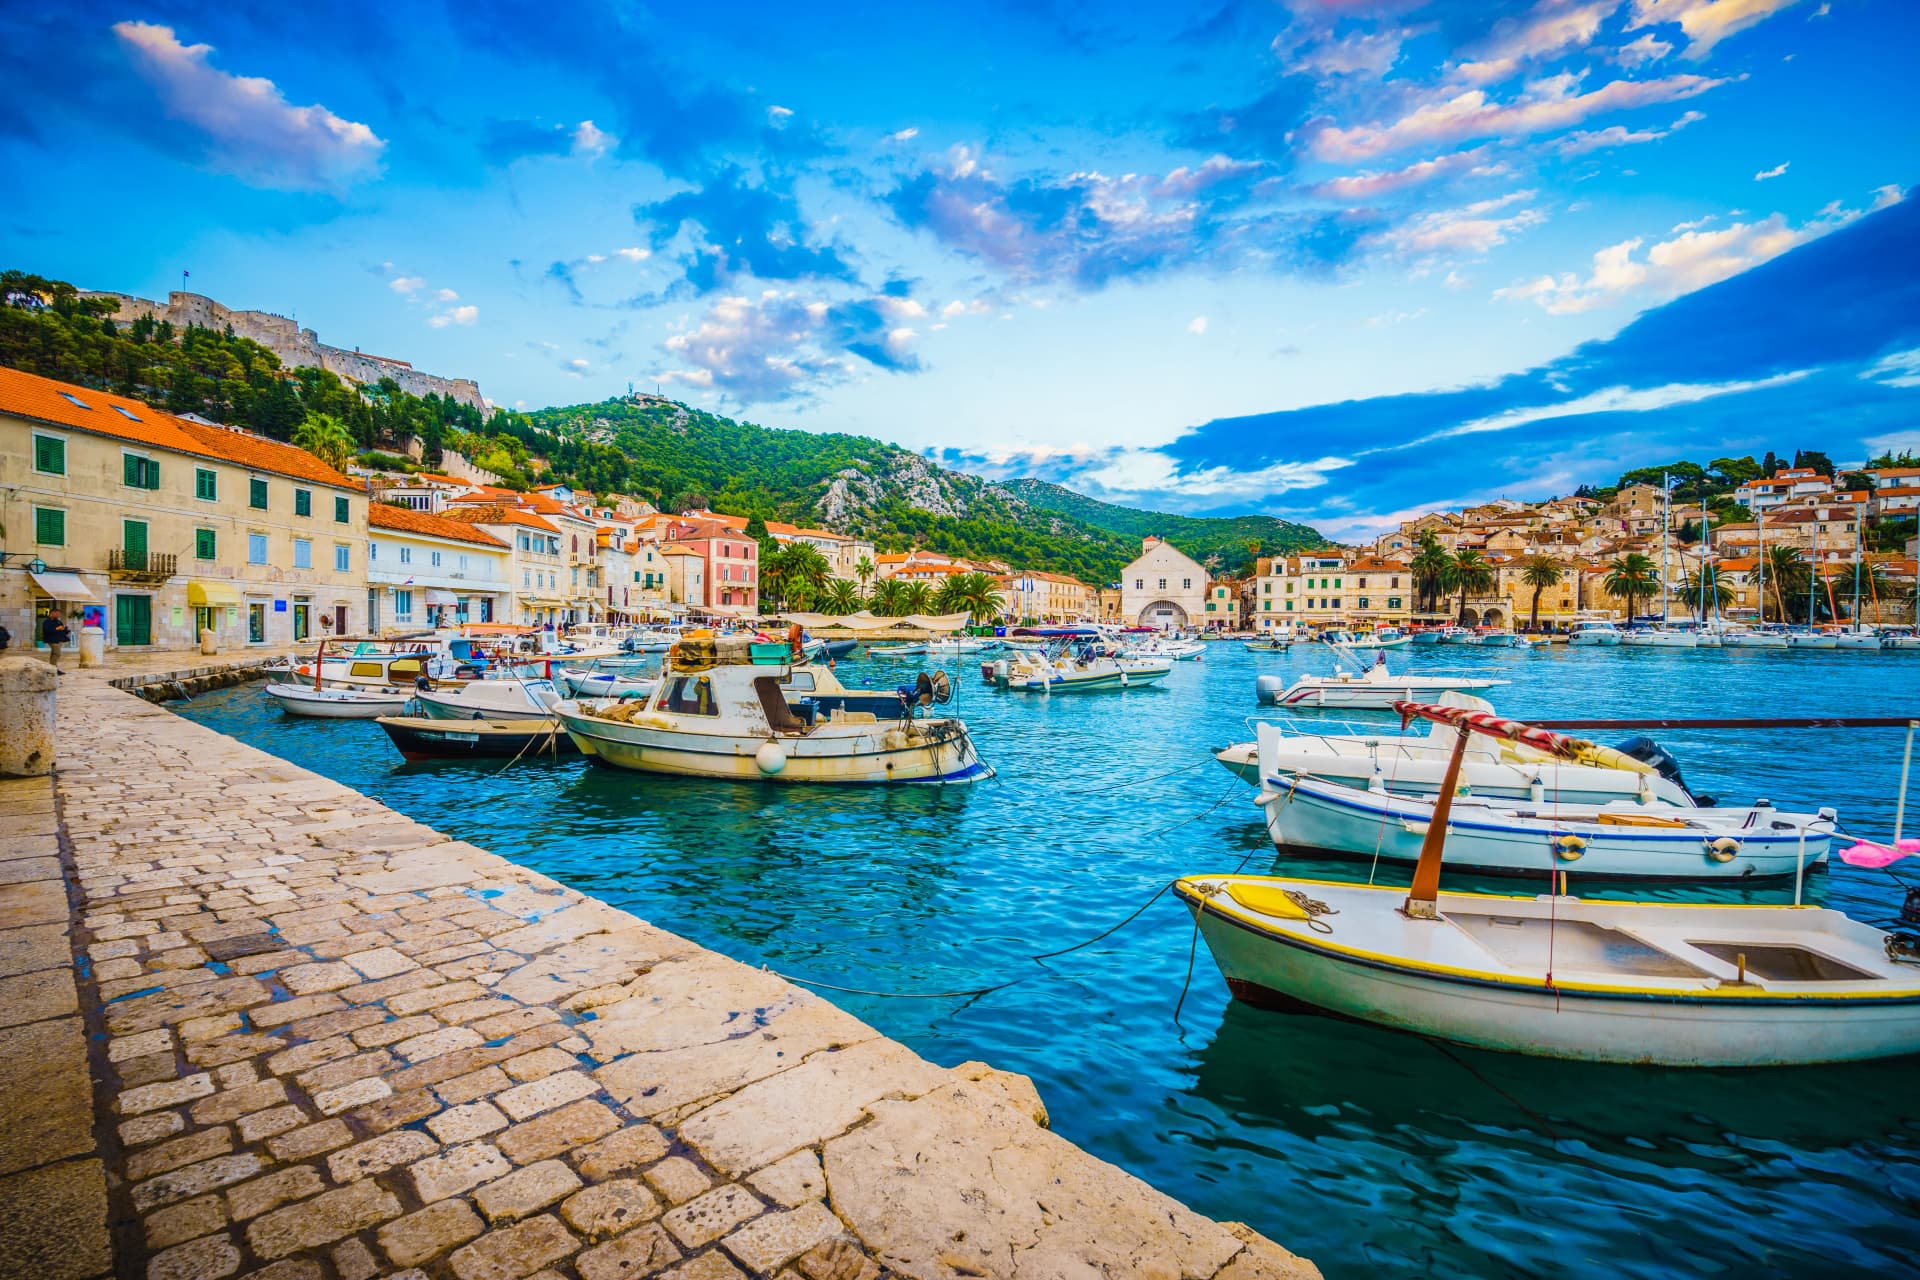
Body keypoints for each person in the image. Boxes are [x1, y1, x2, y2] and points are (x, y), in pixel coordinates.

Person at [40, 608, 72, 673]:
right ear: (52, 613)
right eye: (57, 614)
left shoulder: (58, 621)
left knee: (54, 654)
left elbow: (62, 630)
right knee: (57, 654)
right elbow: (47, 630)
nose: (58, 615)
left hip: (59, 640)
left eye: (59, 614)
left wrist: (65, 630)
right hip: (52, 640)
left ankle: (52, 669)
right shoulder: (47, 621)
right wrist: (57, 628)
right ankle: (53, 669)